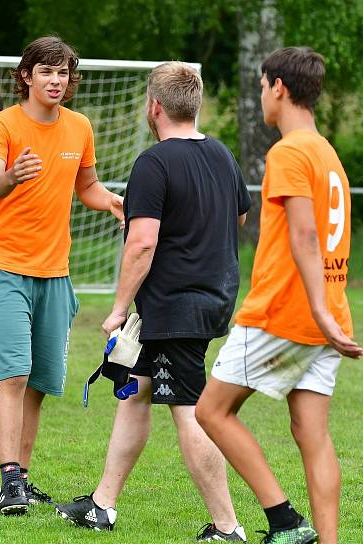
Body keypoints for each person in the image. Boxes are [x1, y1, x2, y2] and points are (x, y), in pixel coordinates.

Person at [55, 62, 248, 541]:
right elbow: (239, 218)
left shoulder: (154, 162)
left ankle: (228, 526)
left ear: (154, 106)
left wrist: (118, 310)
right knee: (136, 393)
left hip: (176, 307)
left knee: (193, 410)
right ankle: (102, 504)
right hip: (212, 297)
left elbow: (142, 243)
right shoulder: (222, 154)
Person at [196, 47, 362, 544]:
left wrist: (315, 309)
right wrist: (327, 315)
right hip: (327, 315)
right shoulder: (326, 152)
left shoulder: (288, 151)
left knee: (211, 411)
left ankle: (285, 522)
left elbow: (306, 236)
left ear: (280, 87)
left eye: (263, 86)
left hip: (283, 313)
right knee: (312, 435)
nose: (262, 96)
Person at [0, 36, 123, 515]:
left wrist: (116, 203)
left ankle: (24, 476)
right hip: (4, 268)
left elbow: (88, 187)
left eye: (62, 73)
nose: (56, 80)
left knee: (40, 382)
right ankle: (8, 482)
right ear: (27, 76)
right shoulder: (2, 124)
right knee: (13, 376)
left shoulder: (80, 126)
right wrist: (13, 175)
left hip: (55, 273)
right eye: (46, 72)